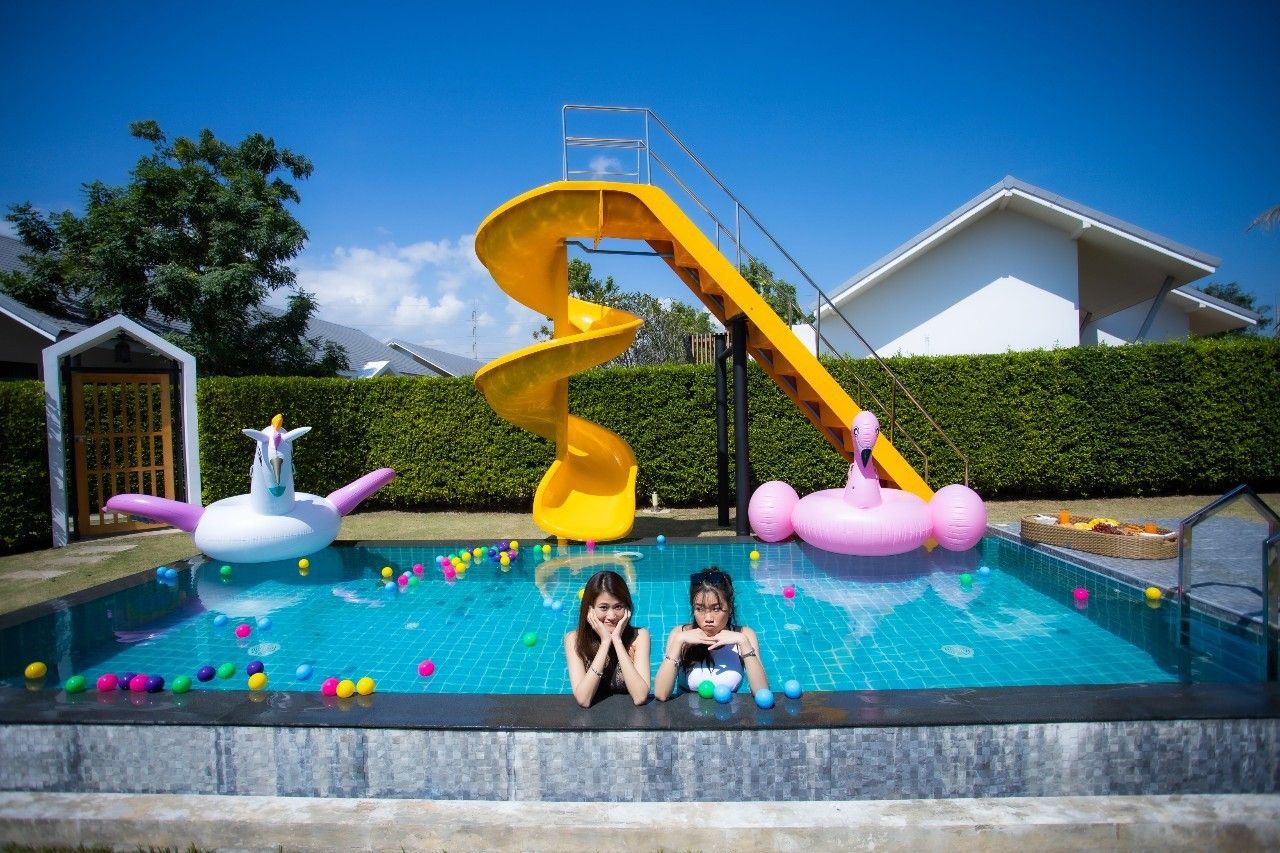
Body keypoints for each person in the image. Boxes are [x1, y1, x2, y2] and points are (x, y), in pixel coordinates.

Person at [654, 566, 768, 700]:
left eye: (716, 609)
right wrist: (679, 642)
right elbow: (661, 694)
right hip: (685, 716)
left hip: (727, 714)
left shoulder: (744, 635)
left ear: (730, 608)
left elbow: (762, 692)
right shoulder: (680, 634)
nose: (708, 618)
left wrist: (743, 642)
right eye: (700, 609)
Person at [563, 569, 651, 707]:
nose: (611, 616)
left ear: (627, 608)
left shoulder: (640, 637)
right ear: (590, 609)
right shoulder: (574, 639)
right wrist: (605, 643)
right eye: (603, 607)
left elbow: (640, 697)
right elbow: (583, 699)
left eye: (618, 607)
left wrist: (617, 640)